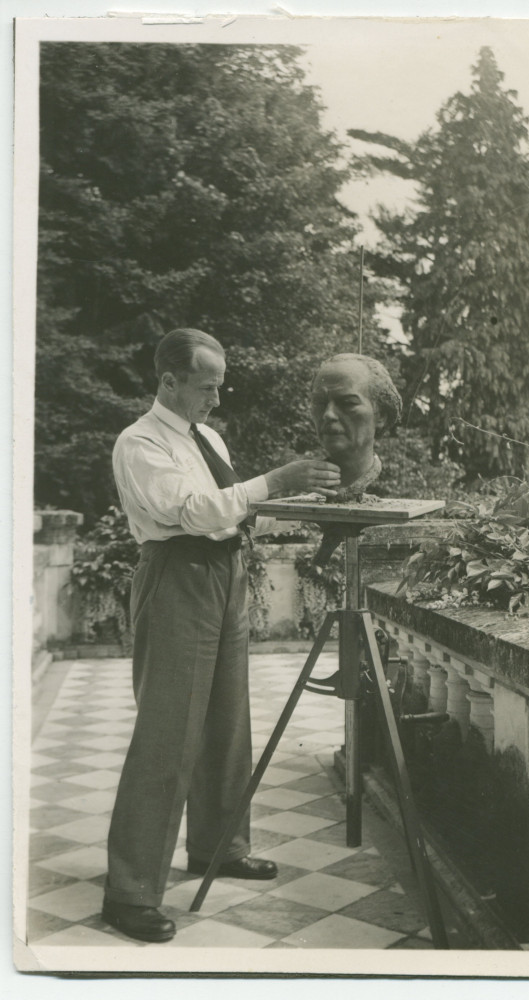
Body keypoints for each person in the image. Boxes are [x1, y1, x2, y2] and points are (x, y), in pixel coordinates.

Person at [102, 328, 341, 943]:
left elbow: (229, 508)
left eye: (219, 386)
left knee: (227, 721)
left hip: (225, 574)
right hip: (177, 576)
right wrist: (274, 481)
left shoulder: (206, 436)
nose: (215, 398)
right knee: (167, 733)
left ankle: (218, 847)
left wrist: (294, 494)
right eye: (206, 387)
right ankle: (130, 894)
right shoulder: (140, 443)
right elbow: (194, 512)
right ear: (169, 381)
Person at [309, 352, 402, 566]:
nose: (328, 415)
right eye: (320, 402)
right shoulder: (306, 483)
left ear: (381, 416)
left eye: (347, 403)